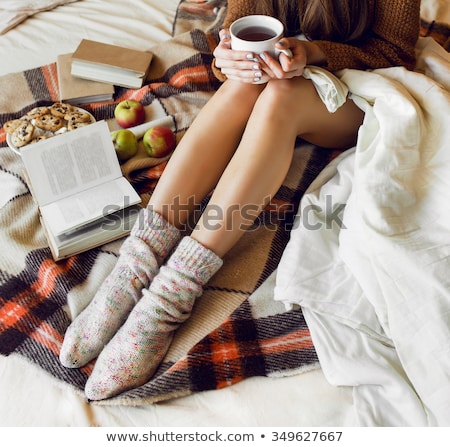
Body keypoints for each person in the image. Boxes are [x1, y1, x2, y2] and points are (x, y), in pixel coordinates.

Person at [59, 0, 420, 400]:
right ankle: (133, 268)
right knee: (242, 86)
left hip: (364, 87)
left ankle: (169, 296)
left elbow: (394, 52)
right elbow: (233, 31)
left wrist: (314, 52)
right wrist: (228, 59)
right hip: (283, 72)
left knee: (281, 94)